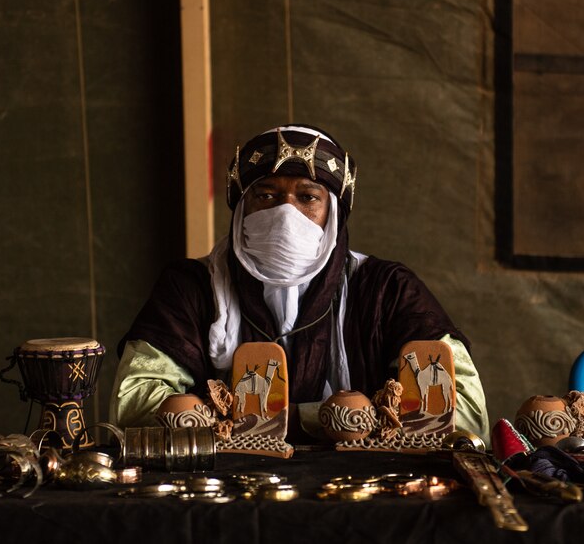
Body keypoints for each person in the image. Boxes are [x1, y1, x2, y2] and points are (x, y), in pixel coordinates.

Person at [110, 124, 489, 440]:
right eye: (267, 195)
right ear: (242, 207)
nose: (285, 214)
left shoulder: (387, 290)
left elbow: (466, 414)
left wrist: (274, 419)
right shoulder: (191, 288)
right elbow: (131, 402)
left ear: (332, 214)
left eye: (307, 197)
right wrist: (341, 417)